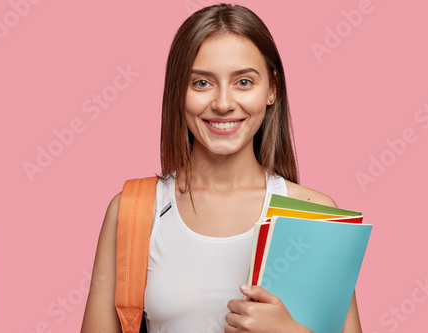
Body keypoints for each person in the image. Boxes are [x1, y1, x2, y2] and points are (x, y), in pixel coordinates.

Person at [81, 3, 362, 332]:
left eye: (244, 82)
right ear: (178, 93)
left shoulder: (312, 213)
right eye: (201, 83)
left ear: (272, 89)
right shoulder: (134, 209)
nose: (224, 103)